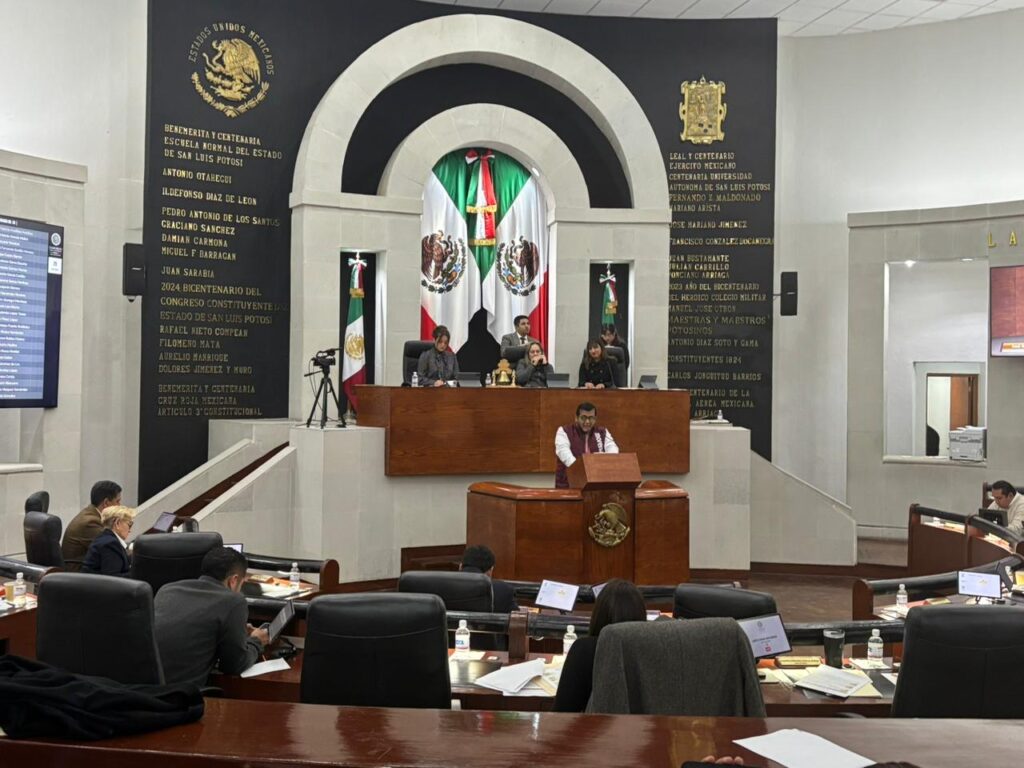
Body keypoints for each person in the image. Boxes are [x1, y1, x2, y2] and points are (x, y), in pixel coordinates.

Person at [154, 546, 269, 688]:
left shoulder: (167, 589)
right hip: (178, 694)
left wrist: (235, 630)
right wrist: (256, 641)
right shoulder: (233, 601)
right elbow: (234, 665)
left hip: (139, 689)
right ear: (234, 580)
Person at [554, 579, 646, 712]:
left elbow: (562, 712)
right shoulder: (652, 649)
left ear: (599, 614)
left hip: (595, 726)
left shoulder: (585, 649)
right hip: (647, 725)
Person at [554, 401, 619, 488]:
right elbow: (566, 457)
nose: (587, 421)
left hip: (596, 486)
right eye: (583, 418)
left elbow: (613, 453)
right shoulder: (564, 431)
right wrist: (588, 471)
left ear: (595, 419)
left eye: (591, 418)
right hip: (569, 486)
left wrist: (602, 460)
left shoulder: (602, 432)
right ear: (576, 418)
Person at [62, 480, 122, 571]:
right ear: (106, 503)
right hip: (79, 574)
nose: (120, 506)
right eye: (117, 501)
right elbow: (114, 549)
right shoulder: (90, 522)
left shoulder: (92, 514)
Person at [460, 544, 517, 614]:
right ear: (490, 571)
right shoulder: (504, 591)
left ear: (460, 566)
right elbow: (517, 618)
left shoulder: (446, 586)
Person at [81, 505, 135, 577]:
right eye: (130, 525)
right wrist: (139, 574)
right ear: (117, 523)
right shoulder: (110, 543)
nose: (130, 530)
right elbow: (113, 578)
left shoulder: (105, 538)